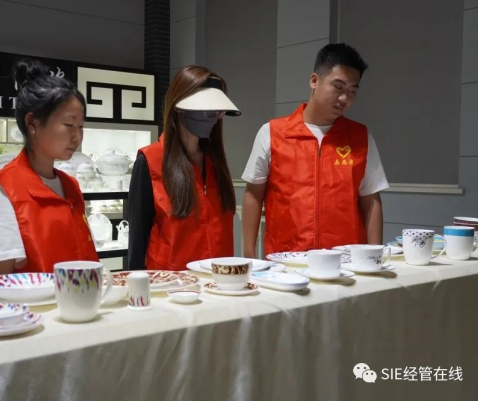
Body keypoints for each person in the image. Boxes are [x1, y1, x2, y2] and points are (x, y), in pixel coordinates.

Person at [242, 43, 389, 257]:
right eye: (338, 87)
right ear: (314, 81)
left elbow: (371, 200)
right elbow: (253, 194)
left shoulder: (360, 137)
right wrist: (249, 255)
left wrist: (375, 257)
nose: (344, 98)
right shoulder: (272, 133)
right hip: (286, 260)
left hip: (345, 261)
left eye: (352, 91)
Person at [0, 59, 98, 281]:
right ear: (32, 124)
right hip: (34, 304)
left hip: (78, 301)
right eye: (69, 125)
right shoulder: (4, 189)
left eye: (81, 126)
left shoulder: (70, 185)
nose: (77, 136)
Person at [128, 65, 241, 271]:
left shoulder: (215, 164)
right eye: (207, 110)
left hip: (218, 281)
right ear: (179, 108)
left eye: (218, 111)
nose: (215, 117)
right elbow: (137, 239)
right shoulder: (150, 161)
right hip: (170, 283)